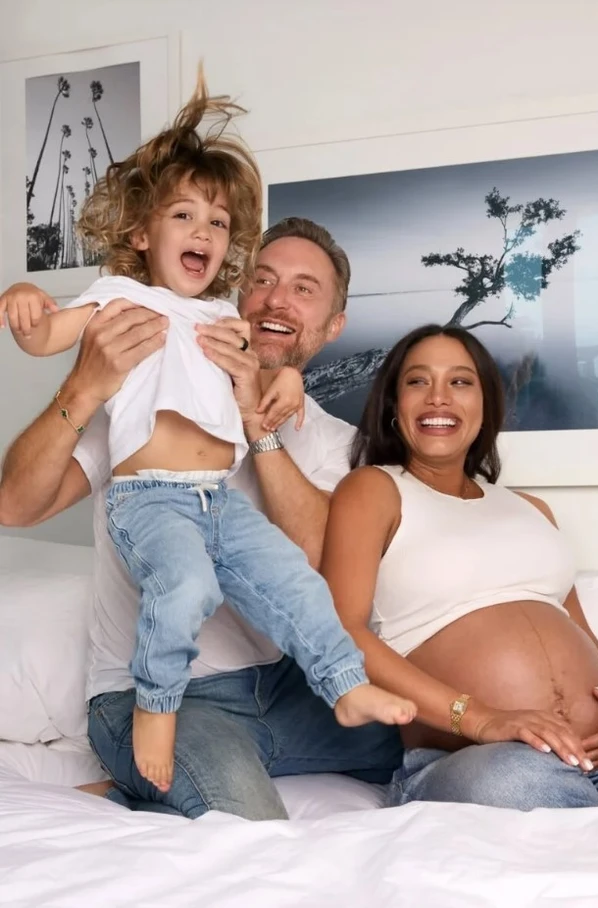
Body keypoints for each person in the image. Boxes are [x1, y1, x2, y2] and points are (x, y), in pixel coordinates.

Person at [2, 79, 414, 794]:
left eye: (217, 223)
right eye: (183, 216)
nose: (277, 298)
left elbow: (324, 564)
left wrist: (273, 403)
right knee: (186, 585)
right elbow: (15, 498)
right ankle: (154, 712)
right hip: (154, 503)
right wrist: (35, 319)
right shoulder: (124, 315)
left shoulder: (229, 334)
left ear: (332, 326)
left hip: (230, 546)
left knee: (301, 594)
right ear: (143, 235)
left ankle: (344, 685)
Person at [321, 322, 598, 815]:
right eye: (418, 381)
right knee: (528, 793)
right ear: (395, 406)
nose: (438, 397)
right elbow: (342, 631)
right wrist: (481, 719)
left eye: (460, 381)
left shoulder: (532, 509)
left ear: (485, 406)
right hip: (484, 757)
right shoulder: (373, 490)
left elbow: (578, 630)